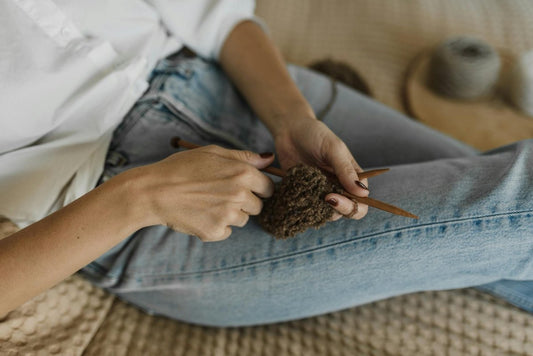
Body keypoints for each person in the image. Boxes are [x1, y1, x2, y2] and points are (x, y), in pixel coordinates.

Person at [0, 0, 532, 326]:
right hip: (124, 213)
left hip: (235, 86)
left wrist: (291, 119)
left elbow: (222, 17)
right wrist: (142, 196)